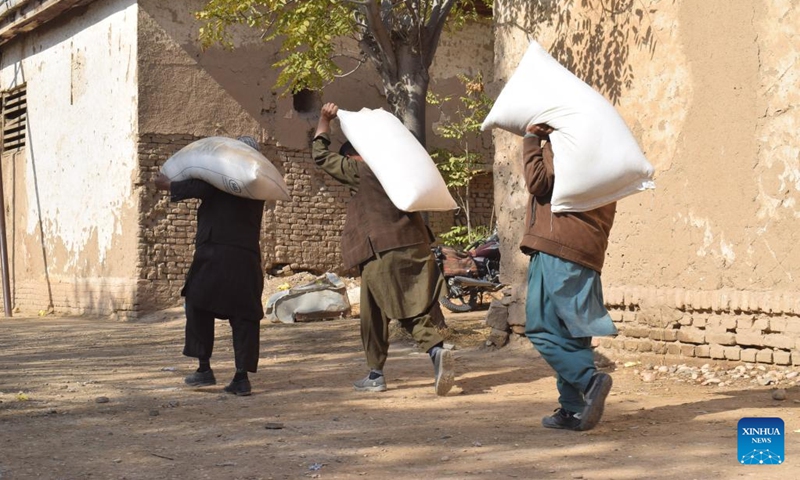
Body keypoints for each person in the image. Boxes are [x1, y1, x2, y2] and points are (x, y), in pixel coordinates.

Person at [312, 102, 454, 396]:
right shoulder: (401, 170)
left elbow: (320, 156)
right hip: (416, 244)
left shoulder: (363, 170)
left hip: (382, 251)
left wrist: (325, 120)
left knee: (386, 312)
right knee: (411, 306)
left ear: (354, 155)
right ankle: (407, 361)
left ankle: (413, 359)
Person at [520, 123, 617, 431]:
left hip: (556, 249)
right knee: (572, 334)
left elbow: (537, 182)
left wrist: (532, 139)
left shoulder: (565, 145)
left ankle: (590, 382)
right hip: (588, 254)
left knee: (542, 329)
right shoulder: (608, 157)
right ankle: (573, 409)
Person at [154, 136, 266, 396]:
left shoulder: (220, 178)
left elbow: (195, 187)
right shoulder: (257, 186)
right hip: (246, 258)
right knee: (245, 316)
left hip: (214, 254)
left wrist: (167, 185)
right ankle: (241, 377)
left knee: (197, 303)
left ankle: (204, 368)